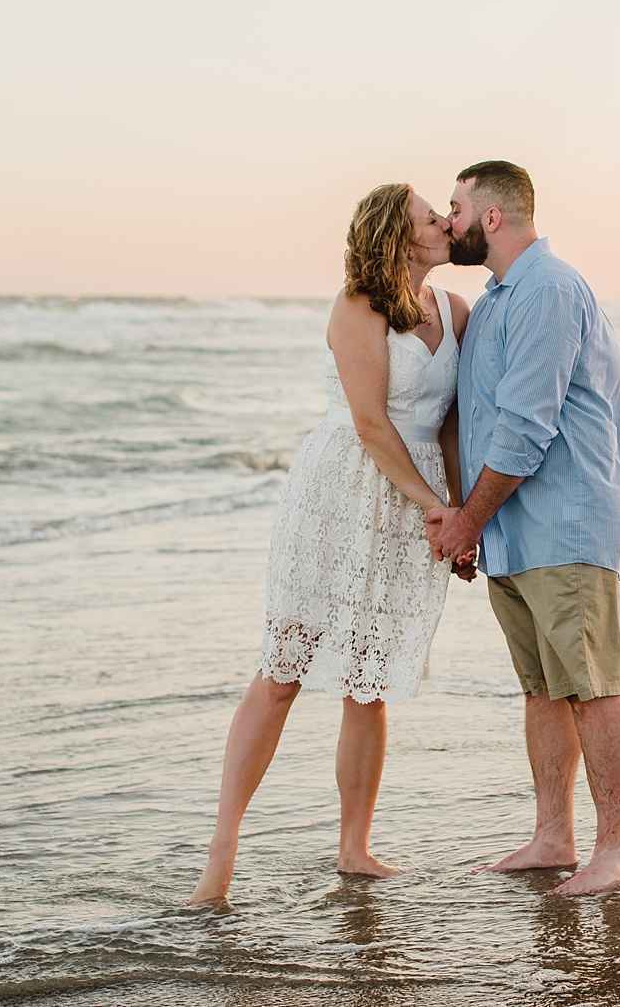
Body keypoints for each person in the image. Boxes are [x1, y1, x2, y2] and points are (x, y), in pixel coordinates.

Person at [186, 183, 472, 906]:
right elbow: (372, 424)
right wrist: (437, 506)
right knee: (283, 668)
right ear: (398, 237)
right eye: (429, 217)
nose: (445, 223)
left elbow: (448, 426)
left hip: (418, 504)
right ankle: (221, 852)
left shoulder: (457, 312)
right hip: (343, 489)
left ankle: (355, 849)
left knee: (369, 681)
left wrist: (462, 515)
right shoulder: (357, 306)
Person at [424, 160, 620, 897]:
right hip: (514, 530)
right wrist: (473, 523)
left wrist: (464, 524)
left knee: (592, 686)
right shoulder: (494, 302)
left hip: (564, 522)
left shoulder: (546, 290)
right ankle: (554, 836)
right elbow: (478, 425)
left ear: (491, 216)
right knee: (543, 688)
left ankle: (614, 850)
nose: (447, 222)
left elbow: (524, 428)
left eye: (454, 208)